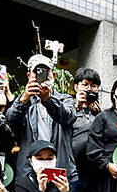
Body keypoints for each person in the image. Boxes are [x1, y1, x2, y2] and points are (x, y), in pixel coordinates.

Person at [5, 54, 78, 183]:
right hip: (29, 171)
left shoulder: (65, 99)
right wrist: (23, 100)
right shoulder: (24, 100)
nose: (42, 76)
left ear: (53, 77)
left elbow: (69, 117)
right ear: (29, 77)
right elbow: (10, 121)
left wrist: (48, 100)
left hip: (59, 169)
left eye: (46, 72)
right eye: (37, 72)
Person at [70, 67, 102, 192]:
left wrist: (100, 117)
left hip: (94, 174)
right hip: (73, 172)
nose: (89, 89)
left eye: (93, 86)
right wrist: (76, 106)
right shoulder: (67, 108)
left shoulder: (100, 114)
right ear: (76, 86)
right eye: (85, 84)